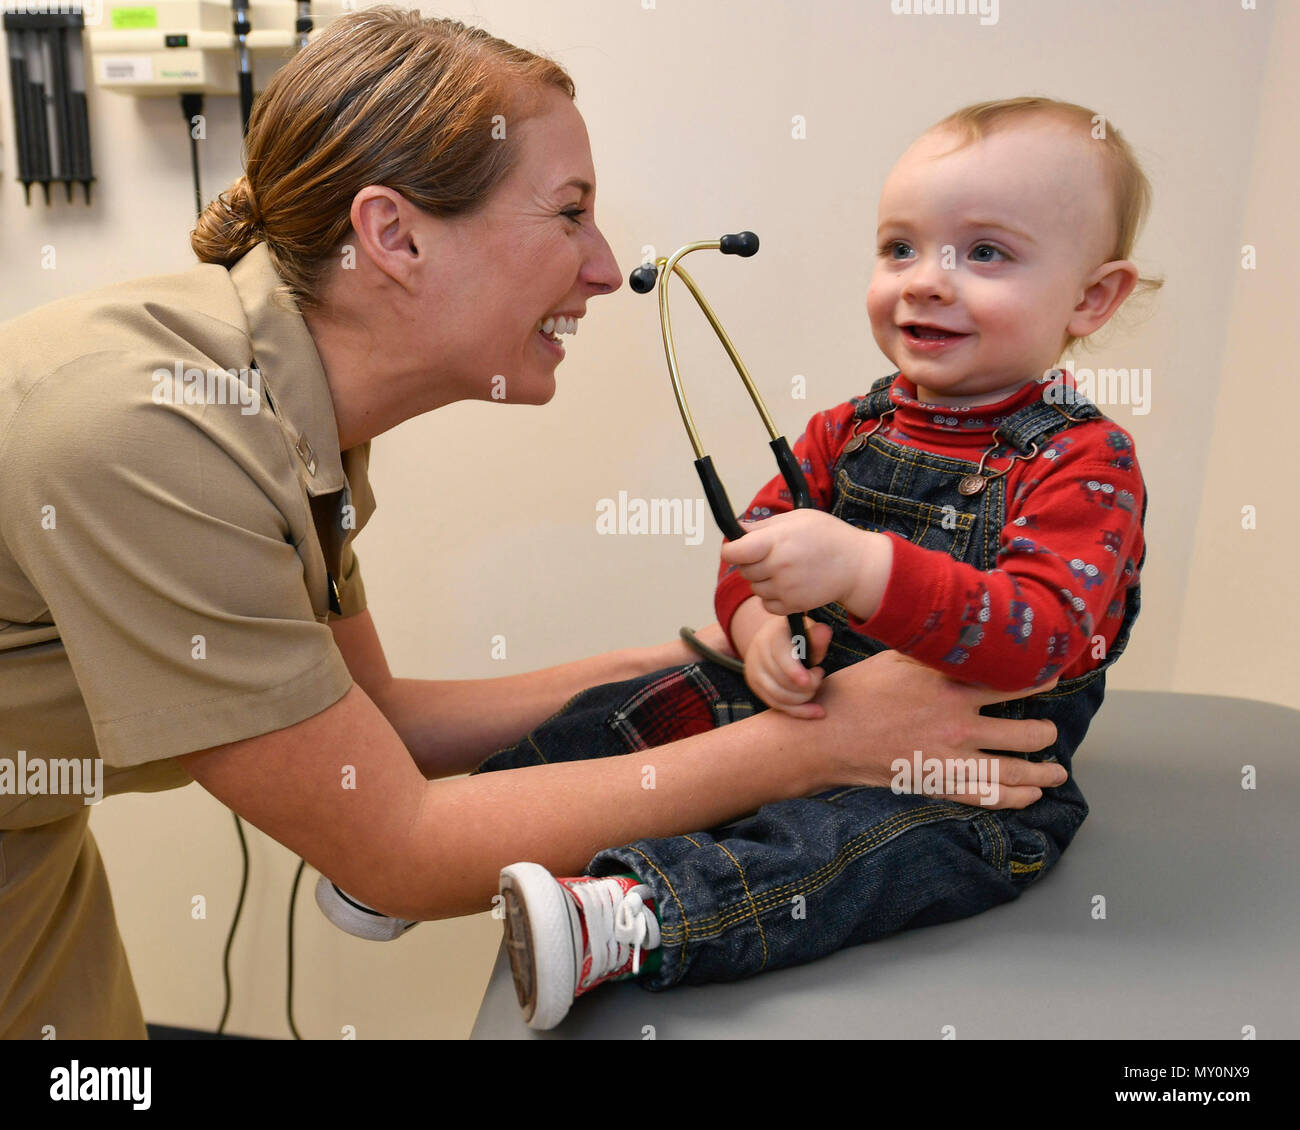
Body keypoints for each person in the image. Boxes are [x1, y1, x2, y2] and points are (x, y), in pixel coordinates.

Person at [0, 10, 1065, 1039]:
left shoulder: (282, 410)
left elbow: (375, 718)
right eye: (568, 213)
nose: (605, 267)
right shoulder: (154, 434)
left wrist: (706, 665)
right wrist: (825, 743)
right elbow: (395, 847)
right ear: (394, 234)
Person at [487, 96, 1156, 1029]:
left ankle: (631, 919)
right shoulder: (849, 427)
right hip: (810, 709)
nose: (926, 281)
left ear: (1093, 297)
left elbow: (1036, 638)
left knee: (840, 851)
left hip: (965, 778)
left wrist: (864, 571)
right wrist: (758, 628)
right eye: (900, 249)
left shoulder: (1086, 464)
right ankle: (462, 837)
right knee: (641, 708)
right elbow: (752, 550)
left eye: (987, 253)